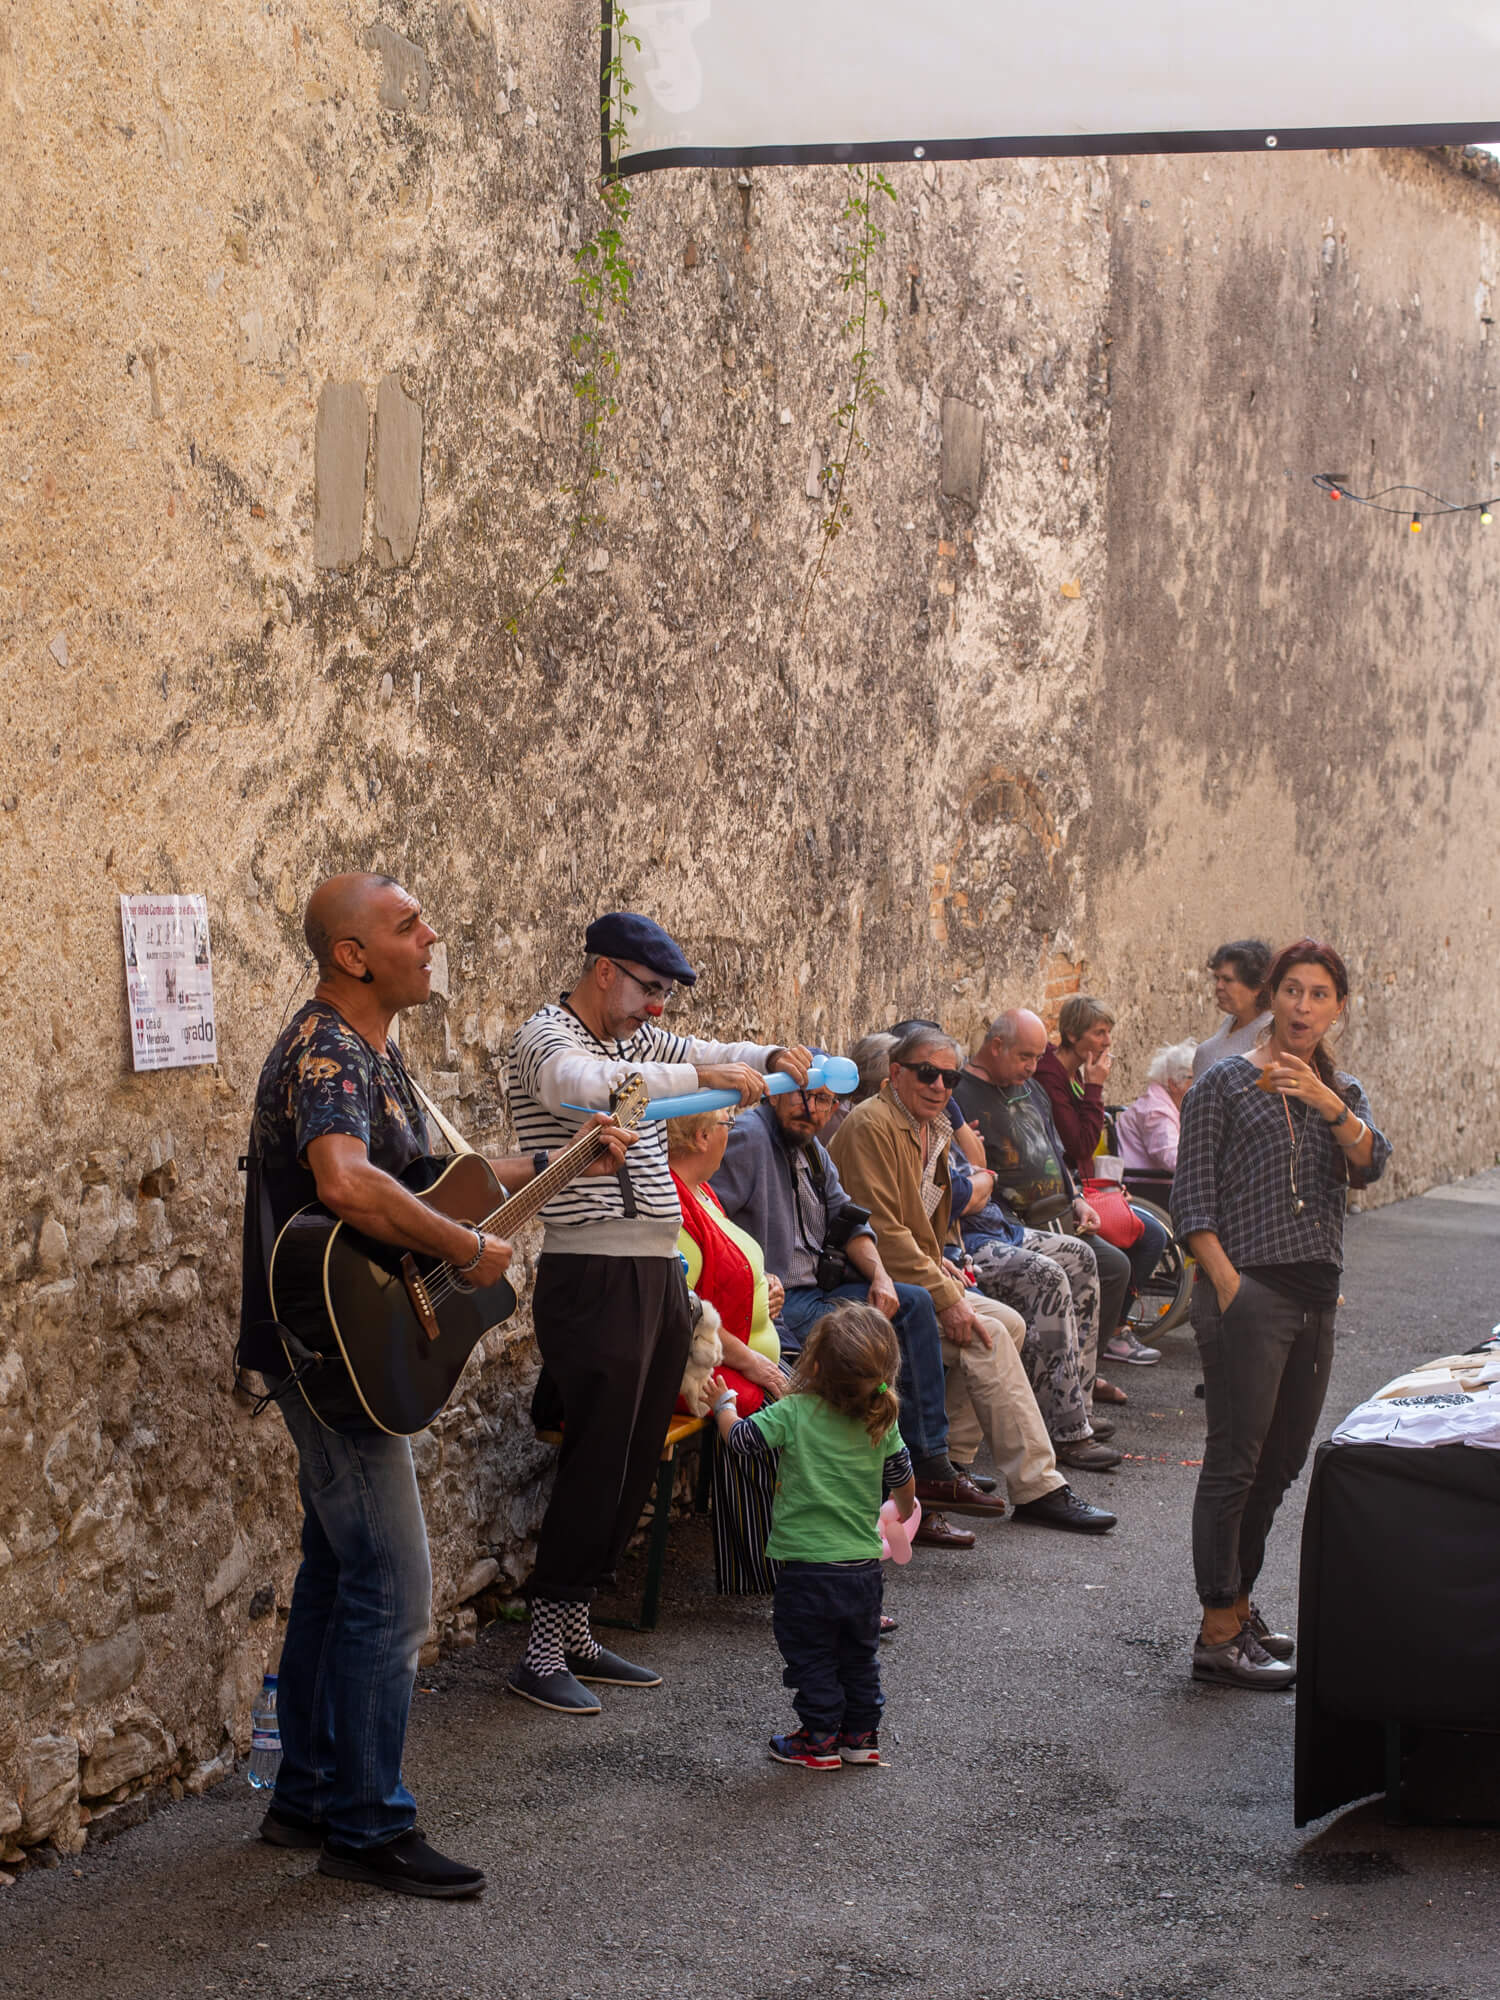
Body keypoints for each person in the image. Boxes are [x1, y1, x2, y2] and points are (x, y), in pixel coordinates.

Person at [237, 873, 633, 1899]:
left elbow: (427, 1178)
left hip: (342, 1344)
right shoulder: (327, 1049)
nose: (432, 936)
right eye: (408, 924)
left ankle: (310, 1793)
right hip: (333, 1352)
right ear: (354, 954)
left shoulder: (376, 1052)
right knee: (395, 1591)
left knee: (338, 1569)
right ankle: (368, 1825)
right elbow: (343, 1180)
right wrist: (465, 1243)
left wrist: (570, 1155)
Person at [505, 912, 814, 1714]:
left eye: (666, 996)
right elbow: (585, 1088)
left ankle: (573, 1629)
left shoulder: (641, 1038)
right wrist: (713, 1086)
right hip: (592, 1269)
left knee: (636, 1450)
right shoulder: (546, 1036)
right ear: (604, 970)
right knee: (598, 1451)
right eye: (649, 990)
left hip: (653, 1268)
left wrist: (767, 1059)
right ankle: (539, 1648)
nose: (659, 1011)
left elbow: (711, 1054)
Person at [1172, 937, 1390, 1690]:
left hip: (1315, 1295)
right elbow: (1191, 1200)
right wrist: (1232, 1288)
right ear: (1274, 998)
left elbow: (1371, 1163)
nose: (1303, 1006)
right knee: (1237, 1462)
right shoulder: (1225, 1084)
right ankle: (1217, 1631)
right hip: (1250, 1291)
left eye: (1319, 994)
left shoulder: (1344, 1090)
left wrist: (1329, 1104)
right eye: (1291, 991)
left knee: (1283, 1462)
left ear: (1338, 1006)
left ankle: (1239, 1604)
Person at [832, 1025, 1116, 1534]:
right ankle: (1039, 1484)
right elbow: (877, 1228)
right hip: (871, 1284)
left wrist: (943, 1260)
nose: (939, 1085)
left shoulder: (931, 1127)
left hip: (914, 1273)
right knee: (986, 1335)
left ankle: (954, 1466)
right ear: (896, 1073)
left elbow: (927, 1222)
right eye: (927, 1073)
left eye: (949, 1077)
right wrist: (946, 1295)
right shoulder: (871, 1125)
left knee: (1009, 1324)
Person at [710, 1063, 1000, 1552]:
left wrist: (881, 1275)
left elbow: (852, 1222)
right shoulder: (748, 1138)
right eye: (805, 1097)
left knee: (909, 1302)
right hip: (777, 1304)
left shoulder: (813, 1148)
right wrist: (757, 1281)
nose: (815, 1110)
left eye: (825, 1102)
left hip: (820, 1292)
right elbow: (711, 1218)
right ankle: (903, 1478)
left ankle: (925, 1465)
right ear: (779, 1093)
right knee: (863, 1344)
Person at [711, 1303, 916, 1768]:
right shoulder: (880, 1418)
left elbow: (741, 1442)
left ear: (816, 1365)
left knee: (812, 1655)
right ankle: (861, 1737)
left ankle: (819, 1738)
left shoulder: (794, 1411)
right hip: (864, 1571)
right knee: (859, 1655)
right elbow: (903, 1476)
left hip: (806, 1571)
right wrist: (902, 1516)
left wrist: (723, 1407)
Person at [954, 1010, 1160, 1370]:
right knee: (1087, 1264)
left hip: (1061, 1214)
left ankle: (1085, 1375)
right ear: (997, 1046)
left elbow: (1054, 1149)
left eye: (1037, 1057)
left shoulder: (1032, 1088)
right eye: (1024, 1057)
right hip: (1011, 1222)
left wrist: (1078, 1198)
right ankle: (1064, 1381)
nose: (1033, 1067)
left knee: (1117, 1264)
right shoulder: (960, 1093)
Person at [667, 1107, 789, 1594]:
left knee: (818, 1398)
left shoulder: (703, 1191)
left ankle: (825, 1559)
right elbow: (689, 1315)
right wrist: (758, 1363)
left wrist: (767, 1288)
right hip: (696, 1368)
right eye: (727, 1125)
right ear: (701, 1136)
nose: (731, 1134)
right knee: (780, 1414)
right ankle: (779, 1568)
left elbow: (736, 1271)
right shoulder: (674, 1204)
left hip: (732, 1355)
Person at [1035, 994, 1172, 1351]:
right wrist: (1095, 1086)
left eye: (1108, 1032)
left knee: (1152, 1234)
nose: (1107, 1041)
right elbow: (1079, 1144)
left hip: (1085, 1187)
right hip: (1061, 1193)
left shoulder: (1072, 1073)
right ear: (1071, 1033)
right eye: (1099, 1032)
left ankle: (1113, 1325)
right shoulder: (1051, 1076)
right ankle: (1110, 1333)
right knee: (1149, 1238)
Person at [1191, 939, 1273, 1081]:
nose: (1219, 987)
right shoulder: (1231, 1022)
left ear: (1256, 987)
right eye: (1217, 979)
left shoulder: (1268, 1034)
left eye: (1227, 980)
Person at [1116, 1042, 1196, 1178]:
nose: (1200, 1083)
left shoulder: (1165, 1103)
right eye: (1193, 1078)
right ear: (1174, 1084)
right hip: (1147, 1187)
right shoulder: (1157, 1111)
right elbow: (1173, 1159)